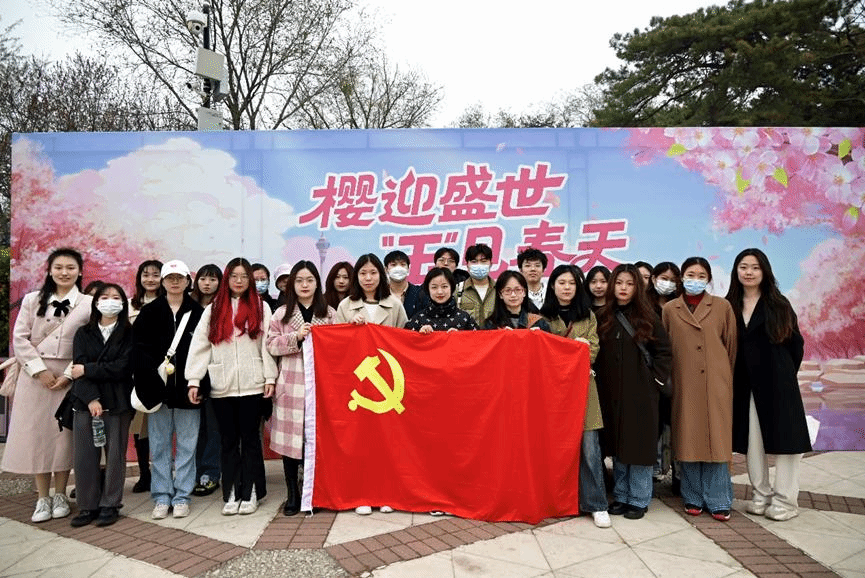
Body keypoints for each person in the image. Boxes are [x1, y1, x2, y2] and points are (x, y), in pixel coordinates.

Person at [1, 248, 93, 523]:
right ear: (50, 270)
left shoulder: (88, 303)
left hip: (69, 377)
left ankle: (60, 494)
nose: (64, 272)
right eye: (59, 267)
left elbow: (90, 343)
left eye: (70, 267)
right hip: (35, 378)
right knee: (37, 437)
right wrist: (39, 371)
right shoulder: (32, 300)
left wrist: (68, 374)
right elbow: (20, 338)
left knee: (63, 438)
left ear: (79, 271)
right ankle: (42, 497)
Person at [186, 258, 278, 516]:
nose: (239, 281)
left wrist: (269, 377)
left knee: (250, 440)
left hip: (252, 385)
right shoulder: (214, 309)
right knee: (227, 441)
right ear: (227, 279)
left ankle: (252, 492)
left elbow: (267, 345)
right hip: (221, 386)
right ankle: (232, 493)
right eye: (234, 276)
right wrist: (194, 380)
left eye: (244, 276)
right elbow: (200, 346)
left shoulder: (261, 306)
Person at [726, 248, 811, 521]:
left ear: (764, 271)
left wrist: (783, 374)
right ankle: (760, 494)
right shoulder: (728, 305)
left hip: (778, 384)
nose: (749, 272)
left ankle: (786, 501)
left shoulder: (779, 304)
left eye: (755, 267)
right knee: (753, 443)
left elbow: (795, 345)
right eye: (743, 267)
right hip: (745, 386)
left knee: (788, 444)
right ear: (736, 271)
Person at [595, 264, 672, 522]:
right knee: (619, 447)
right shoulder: (604, 316)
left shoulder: (648, 316)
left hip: (641, 394)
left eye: (629, 284)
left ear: (637, 287)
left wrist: (654, 382)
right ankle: (621, 496)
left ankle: (638, 499)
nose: (623, 288)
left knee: (639, 448)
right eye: (619, 283)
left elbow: (664, 352)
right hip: (612, 394)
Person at [663, 257, 737, 521]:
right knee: (688, 440)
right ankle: (692, 496)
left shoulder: (722, 307)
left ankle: (719, 499)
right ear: (682, 278)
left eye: (701, 275)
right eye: (691, 275)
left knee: (718, 441)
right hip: (684, 384)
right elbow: (665, 349)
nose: (696, 280)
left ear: (709, 279)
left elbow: (731, 346)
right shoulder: (670, 309)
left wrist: (723, 377)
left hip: (716, 384)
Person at [133, 260, 208, 519]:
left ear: (188, 281)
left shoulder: (198, 312)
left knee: (187, 445)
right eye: (169, 278)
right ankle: (162, 495)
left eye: (180, 278)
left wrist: (199, 384)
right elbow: (139, 352)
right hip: (157, 391)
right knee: (159, 445)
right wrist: (151, 385)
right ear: (163, 282)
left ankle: (182, 495)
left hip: (189, 391)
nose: (175, 282)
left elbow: (205, 352)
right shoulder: (149, 312)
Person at [335, 253, 407, 515]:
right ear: (357, 277)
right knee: (360, 442)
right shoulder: (345, 306)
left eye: (373, 272)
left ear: (381, 275)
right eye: (363, 273)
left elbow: (404, 341)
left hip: (388, 381)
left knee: (387, 442)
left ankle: (387, 493)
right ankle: (361, 494)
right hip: (357, 384)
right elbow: (335, 345)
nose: (368, 278)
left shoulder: (394, 304)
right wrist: (349, 329)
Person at [539, 265, 608, 527]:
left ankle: (596, 504)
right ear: (552, 286)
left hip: (584, 388)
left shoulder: (587, 315)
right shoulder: (541, 317)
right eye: (561, 283)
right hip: (552, 392)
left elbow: (594, 350)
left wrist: (574, 350)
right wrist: (573, 348)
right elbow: (541, 355)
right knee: (555, 449)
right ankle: (556, 500)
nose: (566, 288)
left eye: (571, 283)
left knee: (590, 447)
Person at [266, 261, 336, 516]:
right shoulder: (281, 314)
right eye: (299, 281)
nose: (304, 285)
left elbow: (339, 346)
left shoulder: (329, 313)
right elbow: (271, 345)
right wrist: (295, 337)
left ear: (317, 283)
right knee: (290, 442)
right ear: (292, 285)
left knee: (315, 439)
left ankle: (313, 490)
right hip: (291, 385)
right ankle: (292, 493)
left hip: (320, 386)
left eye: (309, 280)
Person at [69, 283, 134, 527]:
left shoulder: (129, 333)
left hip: (118, 401)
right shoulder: (83, 333)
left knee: (115, 455)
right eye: (105, 297)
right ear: (96, 302)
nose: (110, 301)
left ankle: (111, 503)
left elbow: (123, 367)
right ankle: (87, 505)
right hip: (86, 402)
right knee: (84, 456)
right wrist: (91, 398)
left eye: (116, 297)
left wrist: (88, 369)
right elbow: (76, 368)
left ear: (123, 303)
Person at [128, 259, 164, 494]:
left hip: (163, 372)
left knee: (162, 426)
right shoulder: (129, 306)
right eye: (146, 274)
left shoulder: (169, 303)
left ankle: (163, 474)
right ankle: (144, 473)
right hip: (137, 373)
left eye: (155, 274)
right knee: (139, 426)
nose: (150, 279)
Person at [645, 261, 682, 487]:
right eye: (663, 278)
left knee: (677, 424)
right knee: (655, 424)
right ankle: (654, 470)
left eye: (672, 280)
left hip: (678, 372)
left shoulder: (681, 305)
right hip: (653, 373)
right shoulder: (644, 305)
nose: (667, 284)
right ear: (653, 279)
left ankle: (679, 475)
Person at [188, 263, 223, 497]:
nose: (207, 283)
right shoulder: (188, 307)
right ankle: (193, 471)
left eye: (212, 279)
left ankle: (210, 473)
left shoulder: (222, 308)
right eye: (203, 279)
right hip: (191, 376)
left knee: (213, 428)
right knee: (194, 429)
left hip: (216, 376)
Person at [406, 267, 478, 332]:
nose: (440, 292)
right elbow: (404, 339)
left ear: (452, 288)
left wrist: (460, 337)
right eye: (434, 287)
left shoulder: (464, 318)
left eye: (444, 286)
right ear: (428, 290)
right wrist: (419, 336)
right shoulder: (418, 319)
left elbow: (478, 339)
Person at [483, 271, 550, 332]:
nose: (513, 295)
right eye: (508, 290)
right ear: (500, 294)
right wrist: (500, 336)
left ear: (524, 292)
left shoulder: (538, 322)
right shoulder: (491, 324)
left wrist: (538, 336)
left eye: (518, 290)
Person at [458, 243, 496, 327]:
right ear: (467, 265)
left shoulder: (500, 289)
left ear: (491, 264)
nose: (479, 265)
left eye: (483, 261)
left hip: (495, 335)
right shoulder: (458, 290)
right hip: (468, 335)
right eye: (474, 262)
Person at [384, 250, 430, 319]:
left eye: (402, 265)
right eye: (393, 265)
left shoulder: (421, 293)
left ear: (408, 268)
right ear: (386, 269)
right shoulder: (380, 294)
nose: (398, 268)